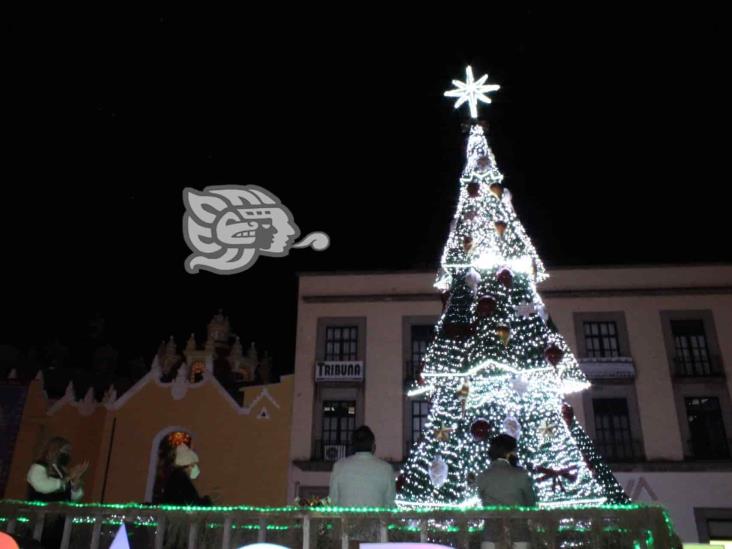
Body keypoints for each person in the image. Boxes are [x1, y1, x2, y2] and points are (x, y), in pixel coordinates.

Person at [329, 426, 396, 547]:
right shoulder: (386, 468)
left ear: (353, 446)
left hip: (345, 535)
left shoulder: (339, 466)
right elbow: (389, 504)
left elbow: (333, 501)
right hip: (374, 535)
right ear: (373, 446)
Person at [476, 434, 537, 549]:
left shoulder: (483, 476)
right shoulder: (521, 475)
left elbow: (481, 497)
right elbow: (531, 503)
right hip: (519, 535)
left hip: (491, 535)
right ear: (509, 453)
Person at [26, 437, 89, 548]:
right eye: (65, 450)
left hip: (60, 522)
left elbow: (72, 496)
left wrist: (75, 483)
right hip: (42, 521)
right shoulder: (39, 466)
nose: (68, 454)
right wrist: (68, 477)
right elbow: (42, 486)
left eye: (69, 451)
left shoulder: (62, 471)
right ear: (54, 449)